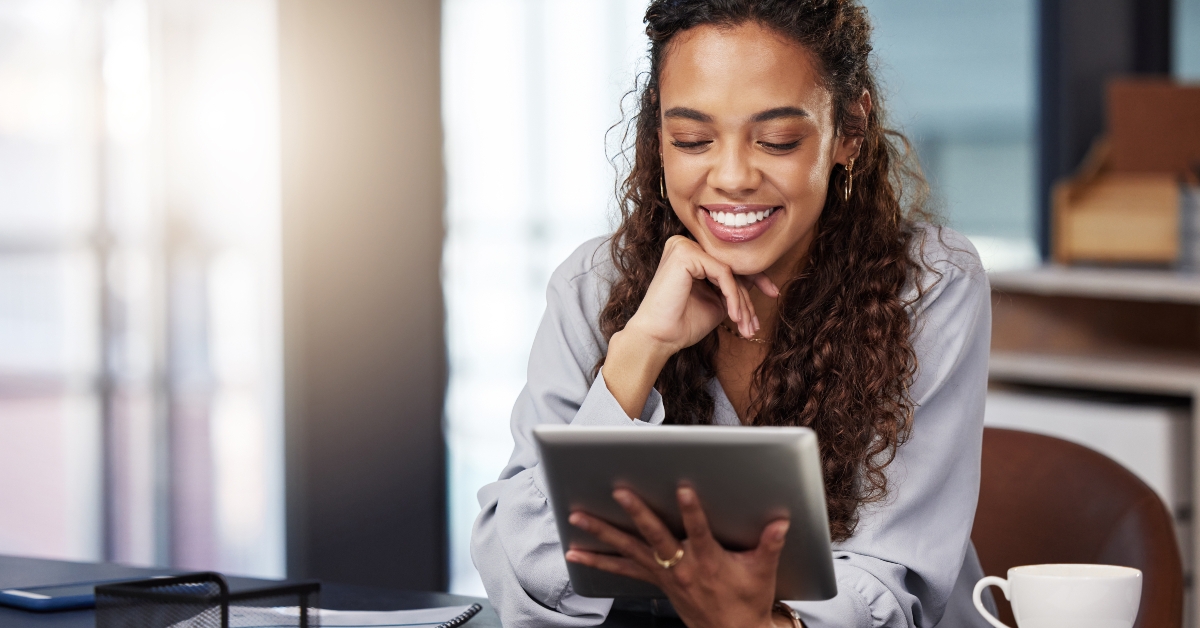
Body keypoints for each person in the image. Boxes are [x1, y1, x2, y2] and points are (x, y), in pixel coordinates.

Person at [471, 1, 995, 626]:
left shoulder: (929, 283)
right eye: (692, 140)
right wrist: (636, 353)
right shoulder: (595, 287)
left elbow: (893, 579)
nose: (732, 177)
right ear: (657, 139)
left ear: (849, 131)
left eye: (776, 140)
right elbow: (521, 581)